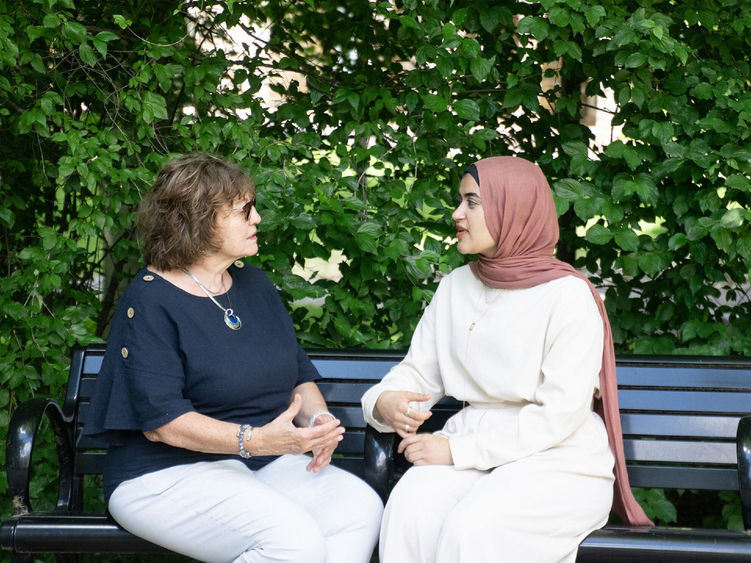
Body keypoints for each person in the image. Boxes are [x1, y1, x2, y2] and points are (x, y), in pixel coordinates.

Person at [84, 153, 383, 563]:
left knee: (359, 508)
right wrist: (255, 441)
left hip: (258, 464)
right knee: (294, 542)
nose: (257, 218)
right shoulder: (151, 300)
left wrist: (316, 421)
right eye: (244, 211)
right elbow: (163, 425)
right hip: (162, 474)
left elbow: (296, 372)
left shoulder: (254, 286)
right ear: (198, 220)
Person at [361, 156, 652, 563]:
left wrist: (457, 452)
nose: (456, 213)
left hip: (557, 458)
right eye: (460, 200)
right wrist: (384, 401)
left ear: (512, 208)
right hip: (470, 446)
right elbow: (417, 372)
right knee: (409, 510)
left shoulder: (567, 296)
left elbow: (559, 415)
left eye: (472, 202)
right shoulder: (455, 287)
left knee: (474, 530)